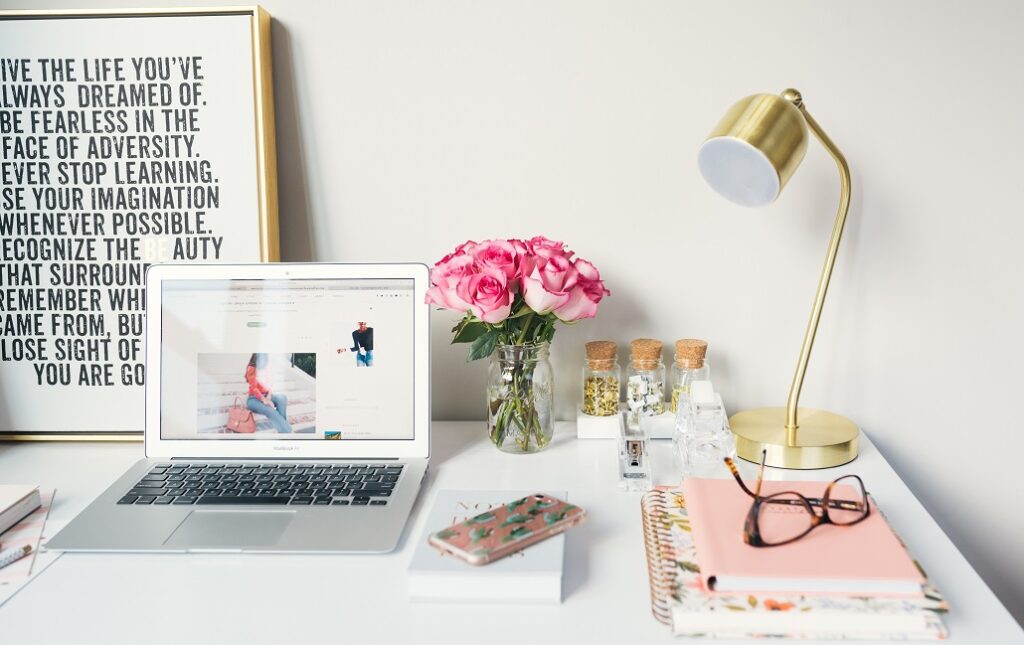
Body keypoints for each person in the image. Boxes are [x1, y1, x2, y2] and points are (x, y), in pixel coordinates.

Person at [244, 353, 292, 433]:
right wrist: (265, 400)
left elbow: (271, 383)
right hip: (253, 399)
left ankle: (283, 427)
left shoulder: (267, 367)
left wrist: (269, 395)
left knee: (282, 398)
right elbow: (254, 389)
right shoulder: (251, 368)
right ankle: (287, 432)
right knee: (270, 410)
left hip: (266, 395)